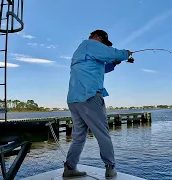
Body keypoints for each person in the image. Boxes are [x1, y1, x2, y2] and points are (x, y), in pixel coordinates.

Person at [62, 30, 133, 178]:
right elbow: (112, 53)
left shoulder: (81, 51)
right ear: (98, 37)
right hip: (90, 96)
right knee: (103, 134)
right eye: (104, 43)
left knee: (79, 137)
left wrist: (114, 63)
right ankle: (110, 168)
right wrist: (125, 53)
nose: (104, 45)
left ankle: (69, 168)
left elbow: (100, 67)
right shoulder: (91, 43)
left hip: (74, 99)